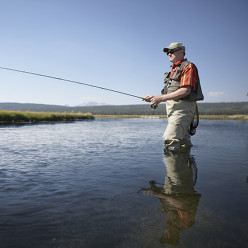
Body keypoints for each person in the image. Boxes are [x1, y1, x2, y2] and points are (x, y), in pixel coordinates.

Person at [144, 42, 204, 152]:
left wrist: (160, 98)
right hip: (173, 110)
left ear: (181, 52)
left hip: (183, 108)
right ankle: (184, 167)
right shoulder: (173, 69)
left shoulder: (188, 66)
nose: (169, 54)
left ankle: (172, 169)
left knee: (170, 139)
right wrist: (155, 98)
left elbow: (185, 90)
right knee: (183, 141)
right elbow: (170, 93)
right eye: (167, 52)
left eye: (172, 51)